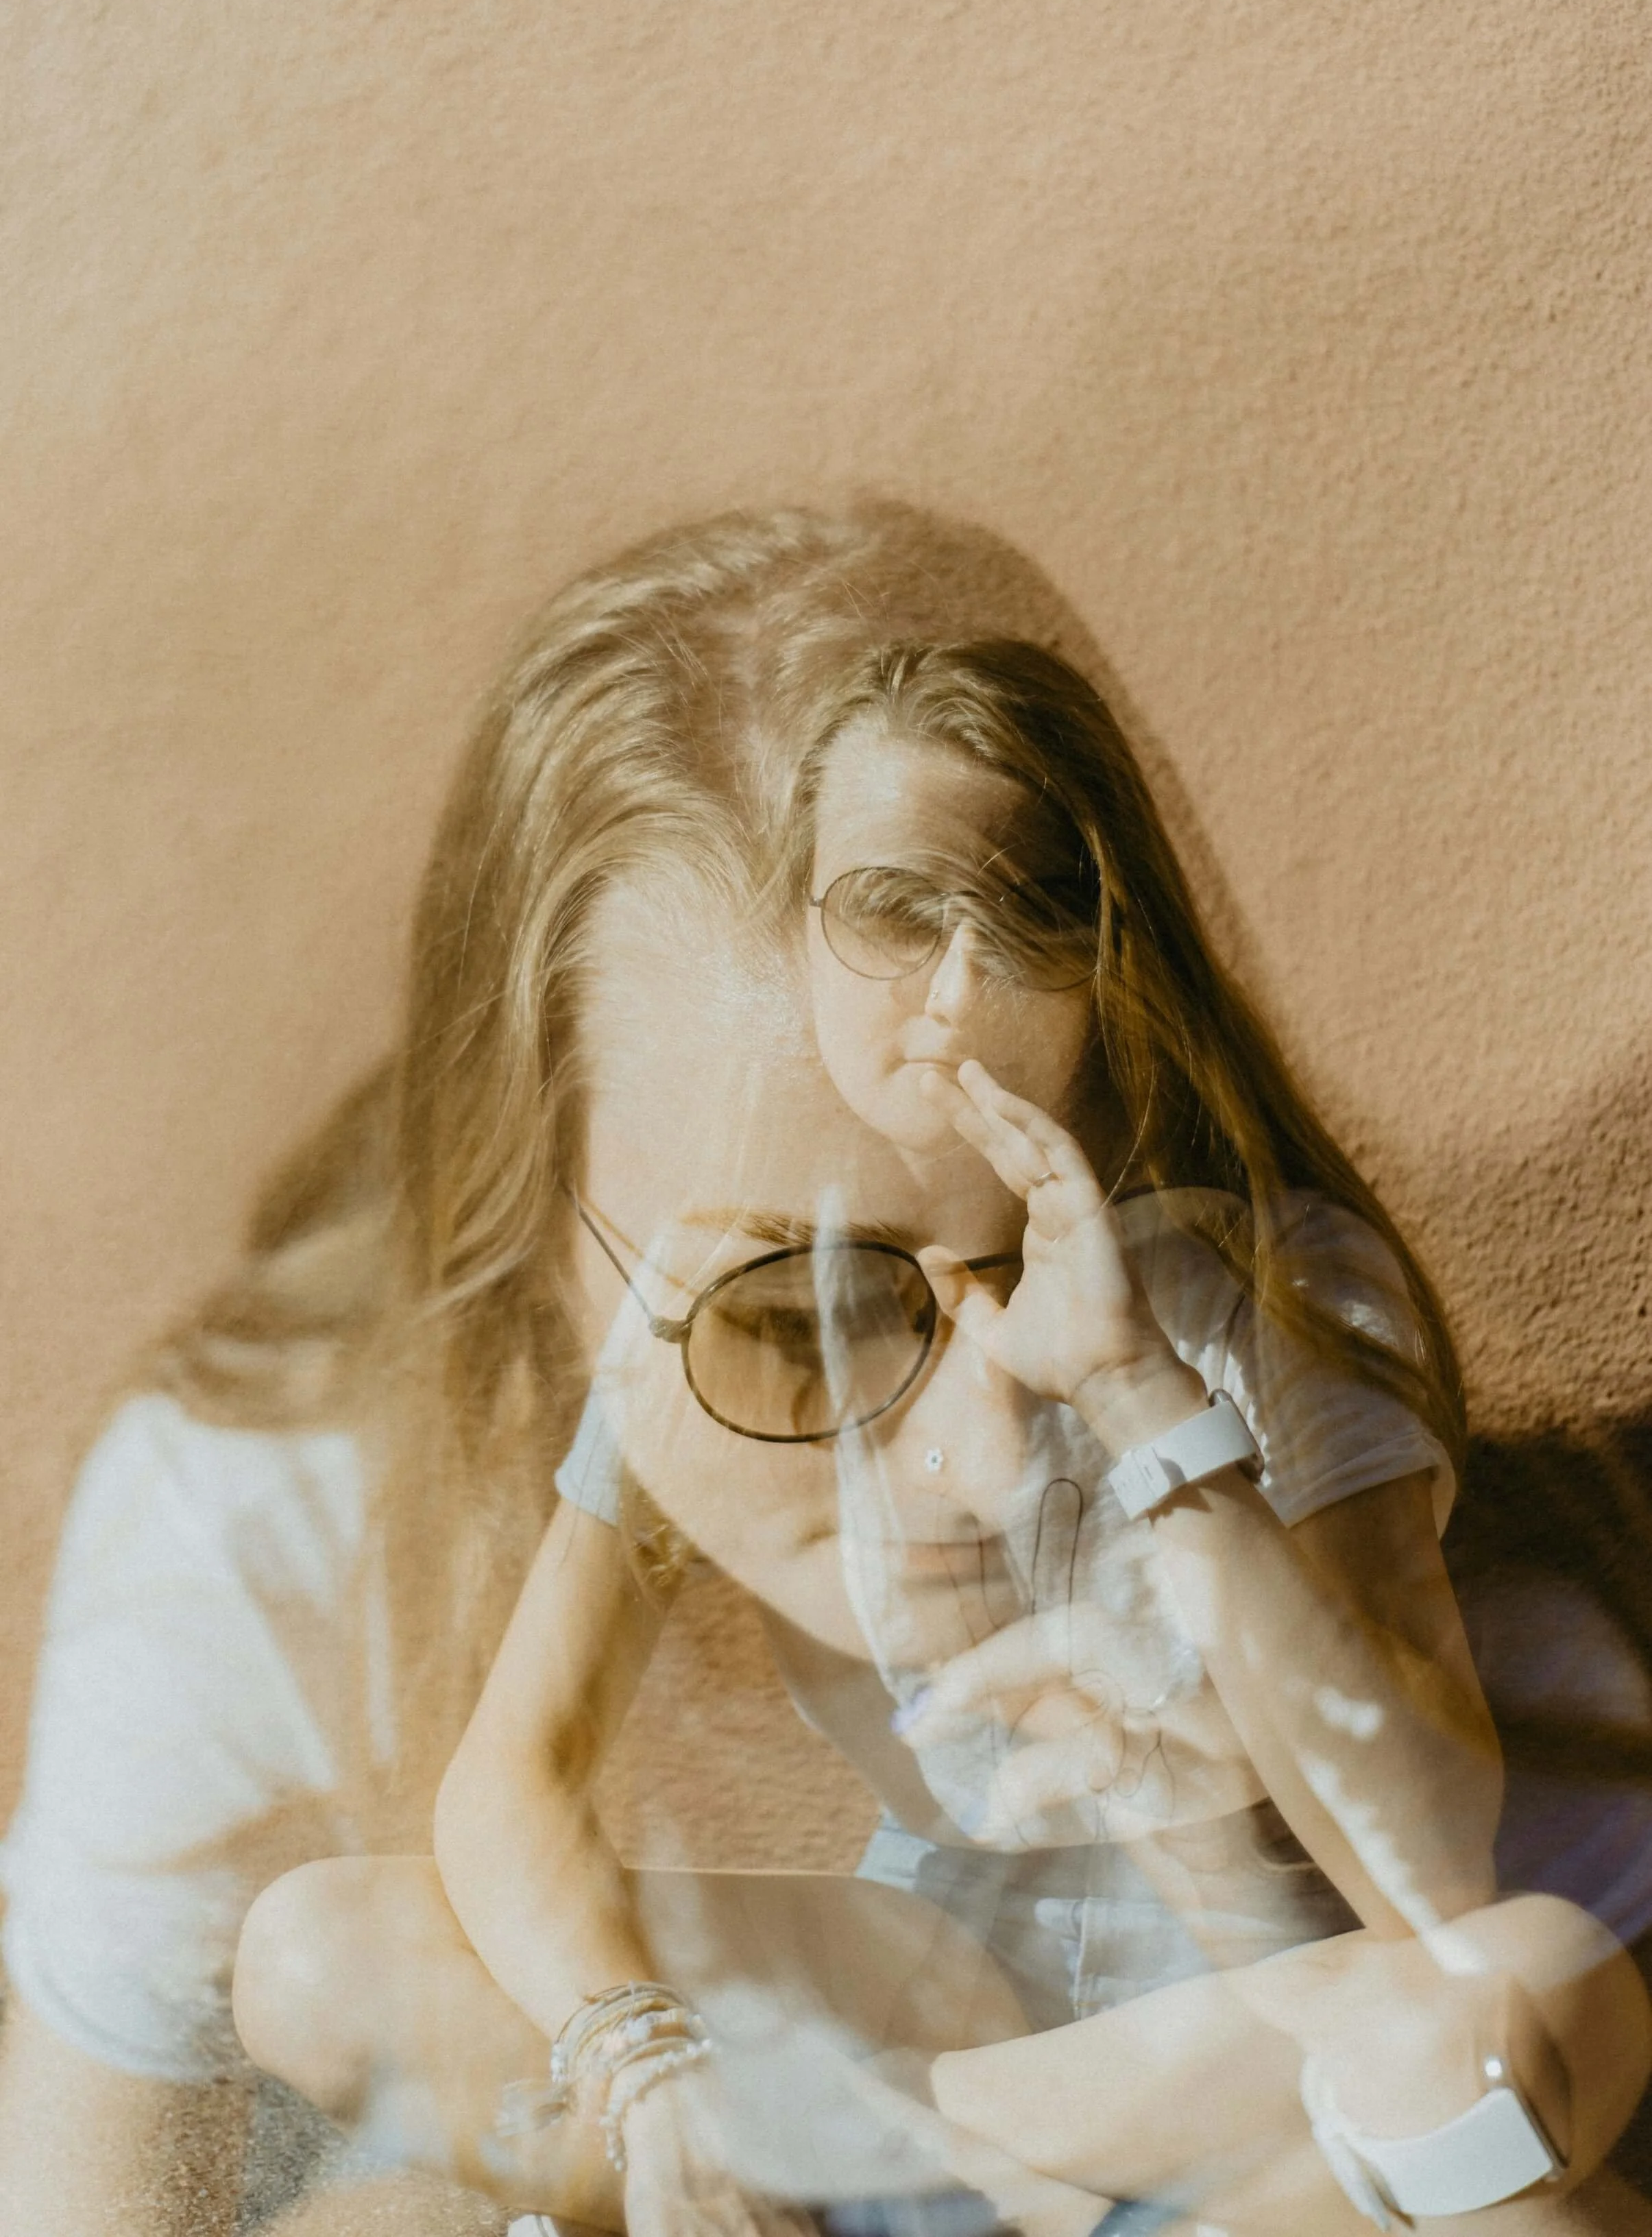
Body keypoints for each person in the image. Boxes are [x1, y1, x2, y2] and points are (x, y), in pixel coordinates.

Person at [223, 525, 1651, 2229]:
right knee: (319, 1951)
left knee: (1510, 2008)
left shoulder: (1243, 1290)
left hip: (1250, 1984)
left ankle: (898, 2136)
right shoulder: (708, 1325)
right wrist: (636, 2047)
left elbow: (1417, 1853)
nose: (951, 1438)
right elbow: (508, 1780)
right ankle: (913, 2135)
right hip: (930, 1952)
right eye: (801, 1290)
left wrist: (1147, 1412)